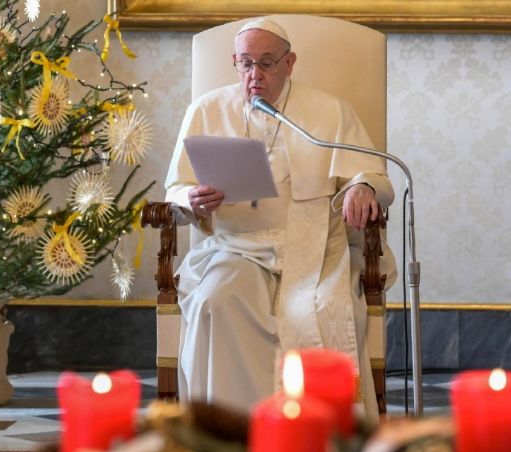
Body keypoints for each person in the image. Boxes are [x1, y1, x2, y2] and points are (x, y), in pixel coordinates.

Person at [164, 18, 396, 421]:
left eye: (267, 63)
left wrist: (364, 188)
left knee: (323, 311)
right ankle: (231, 433)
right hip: (235, 247)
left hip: (315, 249)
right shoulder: (206, 110)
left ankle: (320, 439)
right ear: (234, 63)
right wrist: (192, 198)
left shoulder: (329, 110)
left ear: (290, 63)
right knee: (217, 302)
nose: (254, 75)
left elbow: (376, 175)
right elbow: (175, 188)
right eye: (245, 63)